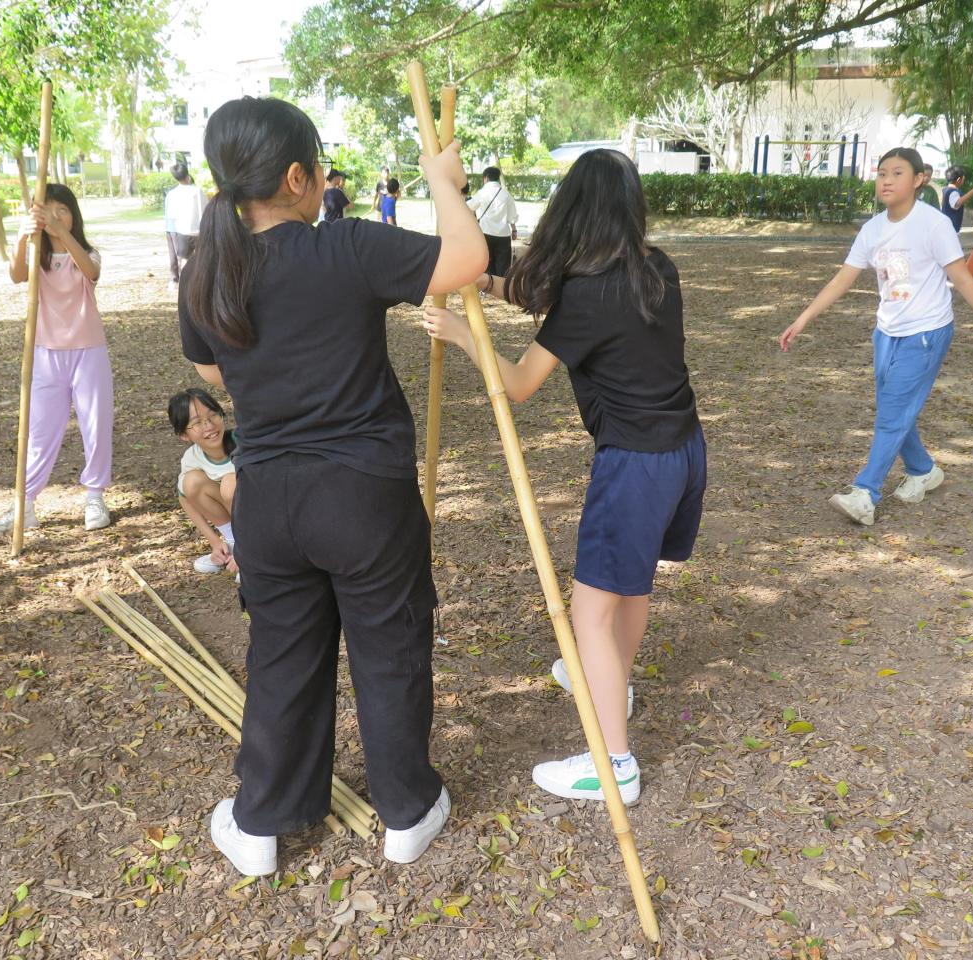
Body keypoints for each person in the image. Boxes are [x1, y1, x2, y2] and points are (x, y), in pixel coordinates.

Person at [177, 96, 486, 877]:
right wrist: (442, 181)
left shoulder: (208, 269)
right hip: (364, 494)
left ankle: (261, 822)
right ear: (297, 178)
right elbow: (467, 259)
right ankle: (407, 812)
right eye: (318, 167)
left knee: (282, 655)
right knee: (389, 645)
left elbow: (212, 370)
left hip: (268, 499)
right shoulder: (343, 246)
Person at [422, 148, 705, 807]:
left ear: (572, 209)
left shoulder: (590, 294)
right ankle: (614, 686)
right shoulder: (653, 268)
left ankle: (614, 765)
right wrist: (485, 282)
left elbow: (520, 383)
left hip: (634, 466)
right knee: (629, 590)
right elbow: (545, 296)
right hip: (683, 452)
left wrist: (464, 334)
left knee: (589, 613)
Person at [779, 147, 973, 527]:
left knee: (892, 412)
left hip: (926, 331)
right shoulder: (873, 229)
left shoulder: (933, 224)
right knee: (895, 408)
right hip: (886, 332)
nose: (887, 181)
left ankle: (866, 493)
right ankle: (923, 470)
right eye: (882, 174)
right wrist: (803, 318)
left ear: (919, 179)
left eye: (897, 173)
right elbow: (843, 279)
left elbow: (962, 278)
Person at [0, 184, 113, 538]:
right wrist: (23, 238)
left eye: (63, 210)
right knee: (39, 431)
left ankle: (95, 496)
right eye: (48, 210)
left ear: (74, 215)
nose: (55, 216)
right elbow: (16, 275)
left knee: (95, 425)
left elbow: (91, 271)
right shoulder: (37, 258)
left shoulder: (87, 253)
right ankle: (24, 504)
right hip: (45, 353)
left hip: (88, 352)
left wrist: (58, 231)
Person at [169, 387, 238, 574]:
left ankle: (254, 551)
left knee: (230, 483)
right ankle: (232, 544)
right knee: (190, 482)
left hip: (266, 520)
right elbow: (184, 498)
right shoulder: (192, 458)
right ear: (184, 435)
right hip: (240, 525)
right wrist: (214, 542)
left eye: (213, 415)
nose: (209, 426)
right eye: (197, 422)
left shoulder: (244, 442)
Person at [467, 166, 519, 276]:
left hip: (485, 233)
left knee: (486, 264)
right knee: (503, 267)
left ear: (485, 178)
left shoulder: (482, 193)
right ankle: (500, 285)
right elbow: (512, 216)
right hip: (503, 235)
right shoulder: (506, 194)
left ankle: (489, 285)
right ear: (498, 178)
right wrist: (514, 231)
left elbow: (469, 207)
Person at [164, 162, 207, 286]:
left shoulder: (172, 194)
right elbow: (205, 209)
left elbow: (171, 216)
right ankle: (200, 283)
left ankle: (184, 284)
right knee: (201, 259)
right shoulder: (197, 191)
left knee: (184, 260)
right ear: (187, 175)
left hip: (182, 232)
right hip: (199, 232)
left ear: (175, 178)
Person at [940, 165, 973, 234]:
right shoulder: (953, 192)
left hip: (947, 224)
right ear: (958, 180)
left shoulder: (945, 189)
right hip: (951, 225)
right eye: (963, 178)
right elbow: (957, 203)